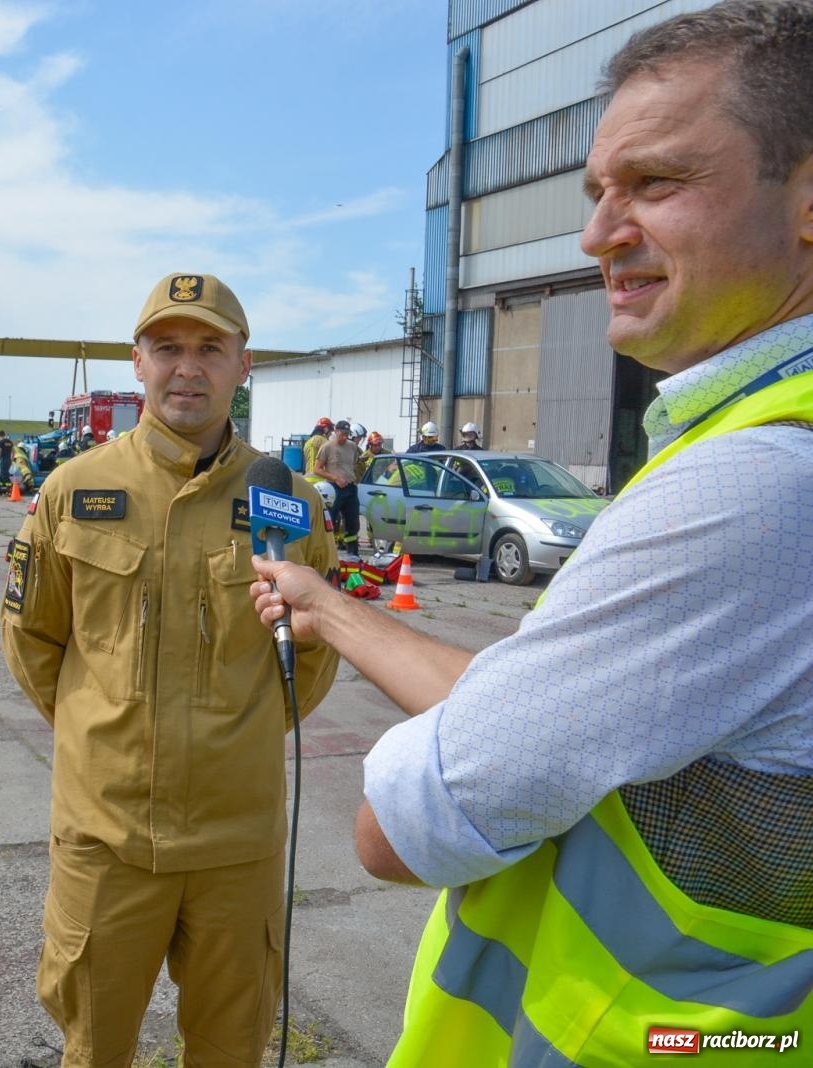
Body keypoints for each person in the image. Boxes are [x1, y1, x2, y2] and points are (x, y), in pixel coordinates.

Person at [250, 5, 813, 1061]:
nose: (599, 234)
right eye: (597, 192)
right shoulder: (748, 441)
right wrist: (330, 608)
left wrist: (497, 734)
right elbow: (554, 707)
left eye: (655, 184)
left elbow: (401, 826)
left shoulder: (757, 485)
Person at [3, 272, 339, 1066]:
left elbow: (315, 649)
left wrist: (241, 727)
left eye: (209, 349)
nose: (187, 367)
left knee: (231, 1050)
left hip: (238, 843)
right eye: (168, 348)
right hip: (107, 841)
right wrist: (109, 732)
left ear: (242, 366)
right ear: (137, 362)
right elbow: (34, 643)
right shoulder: (74, 489)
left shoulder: (289, 500)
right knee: (94, 1049)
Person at [311, 420, 361, 556]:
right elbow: (317, 469)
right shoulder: (327, 447)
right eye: (342, 434)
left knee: (352, 522)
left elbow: (354, 464)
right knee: (330, 522)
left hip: (350, 488)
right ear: (336, 431)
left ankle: (353, 554)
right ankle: (327, 553)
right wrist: (335, 478)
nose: (345, 437)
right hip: (333, 489)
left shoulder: (352, 447)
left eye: (347, 434)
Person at [0, 431, 15, 495]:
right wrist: (11, 460)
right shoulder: (10, 442)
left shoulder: (1, 442)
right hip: (8, 460)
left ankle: (10, 490)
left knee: (5, 475)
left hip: (3, 460)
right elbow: (13, 452)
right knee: (1, 475)